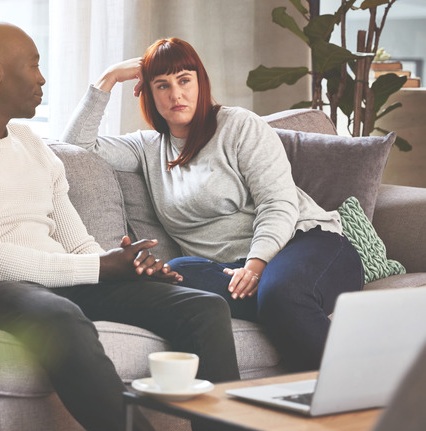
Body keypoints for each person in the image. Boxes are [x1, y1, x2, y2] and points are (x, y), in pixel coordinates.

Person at [0, 23, 240, 431]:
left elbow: (76, 242)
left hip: (56, 279)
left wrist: (126, 267)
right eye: (34, 66)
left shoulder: (32, 143)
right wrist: (101, 269)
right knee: (62, 317)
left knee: (202, 307)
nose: (41, 79)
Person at [62, 37, 365, 372]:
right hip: (229, 272)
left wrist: (256, 265)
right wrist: (109, 77)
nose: (175, 95)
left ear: (199, 82)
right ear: (148, 94)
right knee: (175, 275)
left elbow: (277, 204)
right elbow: (75, 147)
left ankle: (351, 397)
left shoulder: (239, 125)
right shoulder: (147, 147)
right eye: (162, 85)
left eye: (184, 80)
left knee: (280, 295)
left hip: (305, 244)